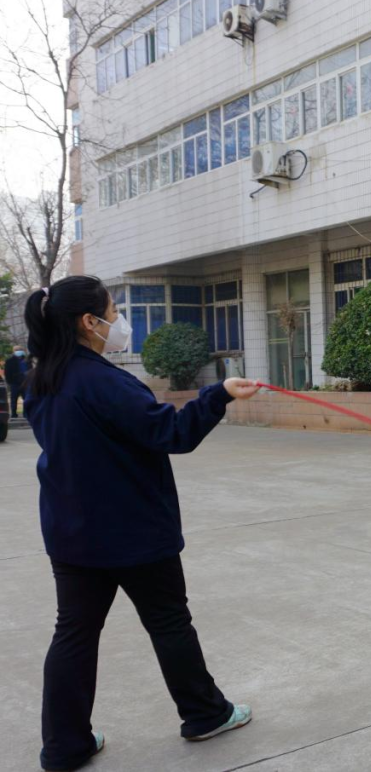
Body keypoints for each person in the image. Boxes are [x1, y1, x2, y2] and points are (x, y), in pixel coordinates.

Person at [23, 276, 260, 772]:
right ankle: (205, 714)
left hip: (72, 532)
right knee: (169, 621)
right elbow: (170, 432)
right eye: (113, 311)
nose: (119, 321)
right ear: (89, 322)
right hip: (132, 532)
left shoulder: (44, 380)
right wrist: (218, 394)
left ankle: (65, 746)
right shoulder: (103, 382)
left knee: (74, 634)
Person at [4, 343, 29, 417]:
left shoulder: (27, 360)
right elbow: (7, 373)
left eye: (20, 349)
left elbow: (30, 370)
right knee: (14, 399)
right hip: (14, 383)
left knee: (26, 399)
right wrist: (10, 382)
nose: (19, 351)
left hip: (25, 383)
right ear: (14, 351)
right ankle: (14, 414)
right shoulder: (9, 361)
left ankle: (26, 413)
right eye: (17, 350)